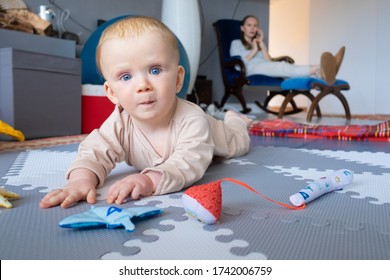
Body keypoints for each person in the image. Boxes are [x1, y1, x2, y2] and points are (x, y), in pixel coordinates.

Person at [40, 16, 252, 209]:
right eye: (125, 77)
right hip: (198, 132)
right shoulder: (120, 121)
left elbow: (188, 163)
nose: (142, 85)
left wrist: (149, 180)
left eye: (155, 70)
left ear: (178, 79)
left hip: (214, 134)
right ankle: (226, 116)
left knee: (238, 142)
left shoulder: (192, 119)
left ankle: (235, 120)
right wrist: (81, 180)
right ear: (112, 92)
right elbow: (94, 151)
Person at [230, 15, 339, 83]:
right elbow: (238, 63)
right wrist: (254, 50)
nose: (252, 28)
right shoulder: (236, 43)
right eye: (249, 25)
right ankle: (322, 68)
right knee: (281, 66)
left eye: (255, 25)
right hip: (250, 70)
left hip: (264, 67)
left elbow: (268, 62)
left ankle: (320, 73)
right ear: (242, 28)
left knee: (289, 71)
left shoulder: (259, 44)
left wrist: (261, 44)